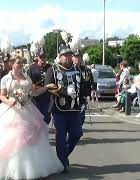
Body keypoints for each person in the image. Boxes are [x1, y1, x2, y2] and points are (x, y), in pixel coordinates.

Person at [0, 55, 64, 179]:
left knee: (30, 136)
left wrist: (46, 87)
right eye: (18, 63)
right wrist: (9, 101)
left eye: (22, 63)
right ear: (12, 64)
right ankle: (13, 168)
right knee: (14, 137)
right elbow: (2, 96)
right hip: (12, 109)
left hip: (27, 109)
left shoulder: (26, 76)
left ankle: (31, 166)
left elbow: (34, 92)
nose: (20, 65)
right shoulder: (6, 79)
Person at [45, 44, 86, 173]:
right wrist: (64, 91)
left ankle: (62, 156)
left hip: (74, 108)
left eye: (70, 55)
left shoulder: (78, 69)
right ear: (60, 56)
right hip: (59, 109)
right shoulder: (53, 69)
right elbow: (48, 86)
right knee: (60, 138)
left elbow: (82, 86)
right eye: (65, 55)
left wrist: (84, 100)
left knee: (77, 133)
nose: (68, 58)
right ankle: (62, 163)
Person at [27, 47, 52, 124]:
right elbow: (28, 82)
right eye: (41, 57)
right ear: (37, 57)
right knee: (36, 120)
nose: (42, 59)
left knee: (45, 119)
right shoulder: (32, 68)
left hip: (47, 97)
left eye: (44, 57)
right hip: (35, 98)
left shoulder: (50, 68)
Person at [72, 48, 92, 125]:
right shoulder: (69, 69)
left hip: (82, 97)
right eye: (76, 57)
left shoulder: (86, 69)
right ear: (72, 57)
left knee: (81, 117)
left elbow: (88, 83)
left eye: (79, 56)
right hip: (72, 97)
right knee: (72, 118)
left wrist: (88, 95)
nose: (78, 58)